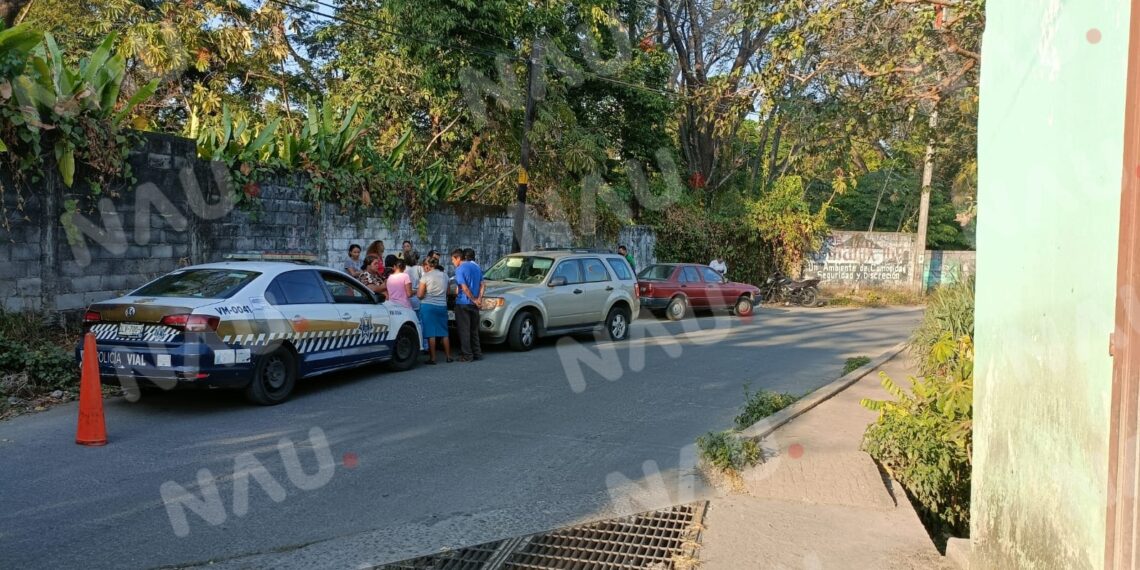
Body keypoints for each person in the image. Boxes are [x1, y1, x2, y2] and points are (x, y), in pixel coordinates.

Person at [417, 257, 452, 364]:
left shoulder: (425, 276)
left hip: (428, 306)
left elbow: (420, 295)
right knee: (444, 332)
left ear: (428, 265)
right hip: (442, 305)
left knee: (431, 332)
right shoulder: (445, 276)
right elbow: (448, 292)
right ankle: (448, 356)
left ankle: (433, 358)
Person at [452, 248, 484, 362]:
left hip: (463, 303)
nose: (453, 263)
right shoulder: (477, 267)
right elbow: (482, 285)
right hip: (475, 304)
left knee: (464, 330)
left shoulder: (460, 269)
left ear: (458, 258)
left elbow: (464, 288)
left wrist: (473, 299)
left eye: (453, 260)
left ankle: (467, 355)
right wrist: (479, 299)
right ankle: (477, 353)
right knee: (474, 330)